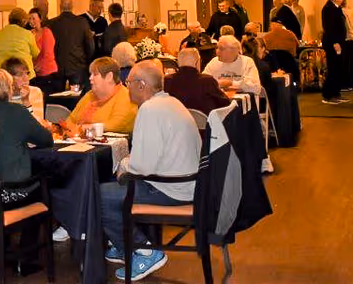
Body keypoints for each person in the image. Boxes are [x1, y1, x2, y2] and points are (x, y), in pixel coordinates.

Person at [100, 60, 201, 282]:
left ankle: (145, 251)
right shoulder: (171, 102)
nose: (126, 88)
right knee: (112, 187)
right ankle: (124, 245)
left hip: (172, 189)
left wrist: (123, 164)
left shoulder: (149, 109)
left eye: (128, 83)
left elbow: (141, 167)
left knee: (99, 195)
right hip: (186, 183)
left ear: (141, 84)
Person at [0, 67, 53, 200]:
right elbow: (46, 140)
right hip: (11, 192)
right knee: (49, 183)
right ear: (7, 89)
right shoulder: (16, 111)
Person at [66, 56, 137, 134]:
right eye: (91, 74)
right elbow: (69, 120)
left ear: (109, 76)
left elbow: (115, 126)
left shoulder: (126, 97)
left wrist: (82, 128)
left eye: (95, 74)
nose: (90, 78)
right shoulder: (89, 95)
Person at [49, 0, 95, 91]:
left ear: (60, 6)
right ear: (72, 6)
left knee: (57, 95)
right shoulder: (82, 22)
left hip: (57, 66)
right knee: (77, 95)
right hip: (77, 65)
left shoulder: (51, 23)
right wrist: (86, 60)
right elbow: (90, 46)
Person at [164, 48, 230, 115]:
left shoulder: (167, 81)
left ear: (178, 62)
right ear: (198, 62)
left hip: (175, 120)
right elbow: (225, 103)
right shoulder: (207, 81)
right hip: (203, 121)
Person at [0, 8, 40, 75]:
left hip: (3, 75)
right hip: (24, 74)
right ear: (23, 21)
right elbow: (35, 54)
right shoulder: (28, 34)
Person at [319, 0, 349, 105]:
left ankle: (336, 93)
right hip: (333, 43)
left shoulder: (336, 8)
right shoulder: (328, 9)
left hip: (339, 42)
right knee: (333, 68)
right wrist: (335, 42)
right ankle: (328, 95)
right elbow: (329, 28)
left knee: (338, 68)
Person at [2, 57, 45, 121]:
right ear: (8, 78)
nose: (26, 78)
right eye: (20, 75)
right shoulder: (0, 94)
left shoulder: (35, 91)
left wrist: (26, 101)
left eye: (27, 73)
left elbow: (37, 123)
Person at [28, 8, 58, 94]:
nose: (31, 21)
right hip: (35, 73)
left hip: (47, 72)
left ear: (40, 19)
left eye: (33, 18)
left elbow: (47, 53)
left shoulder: (46, 32)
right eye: (29, 18)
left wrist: (37, 67)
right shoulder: (30, 33)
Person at [341, 0, 353, 91]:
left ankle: (346, 84)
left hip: (346, 38)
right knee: (352, 62)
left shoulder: (341, 12)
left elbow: (344, 26)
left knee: (345, 63)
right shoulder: (350, 11)